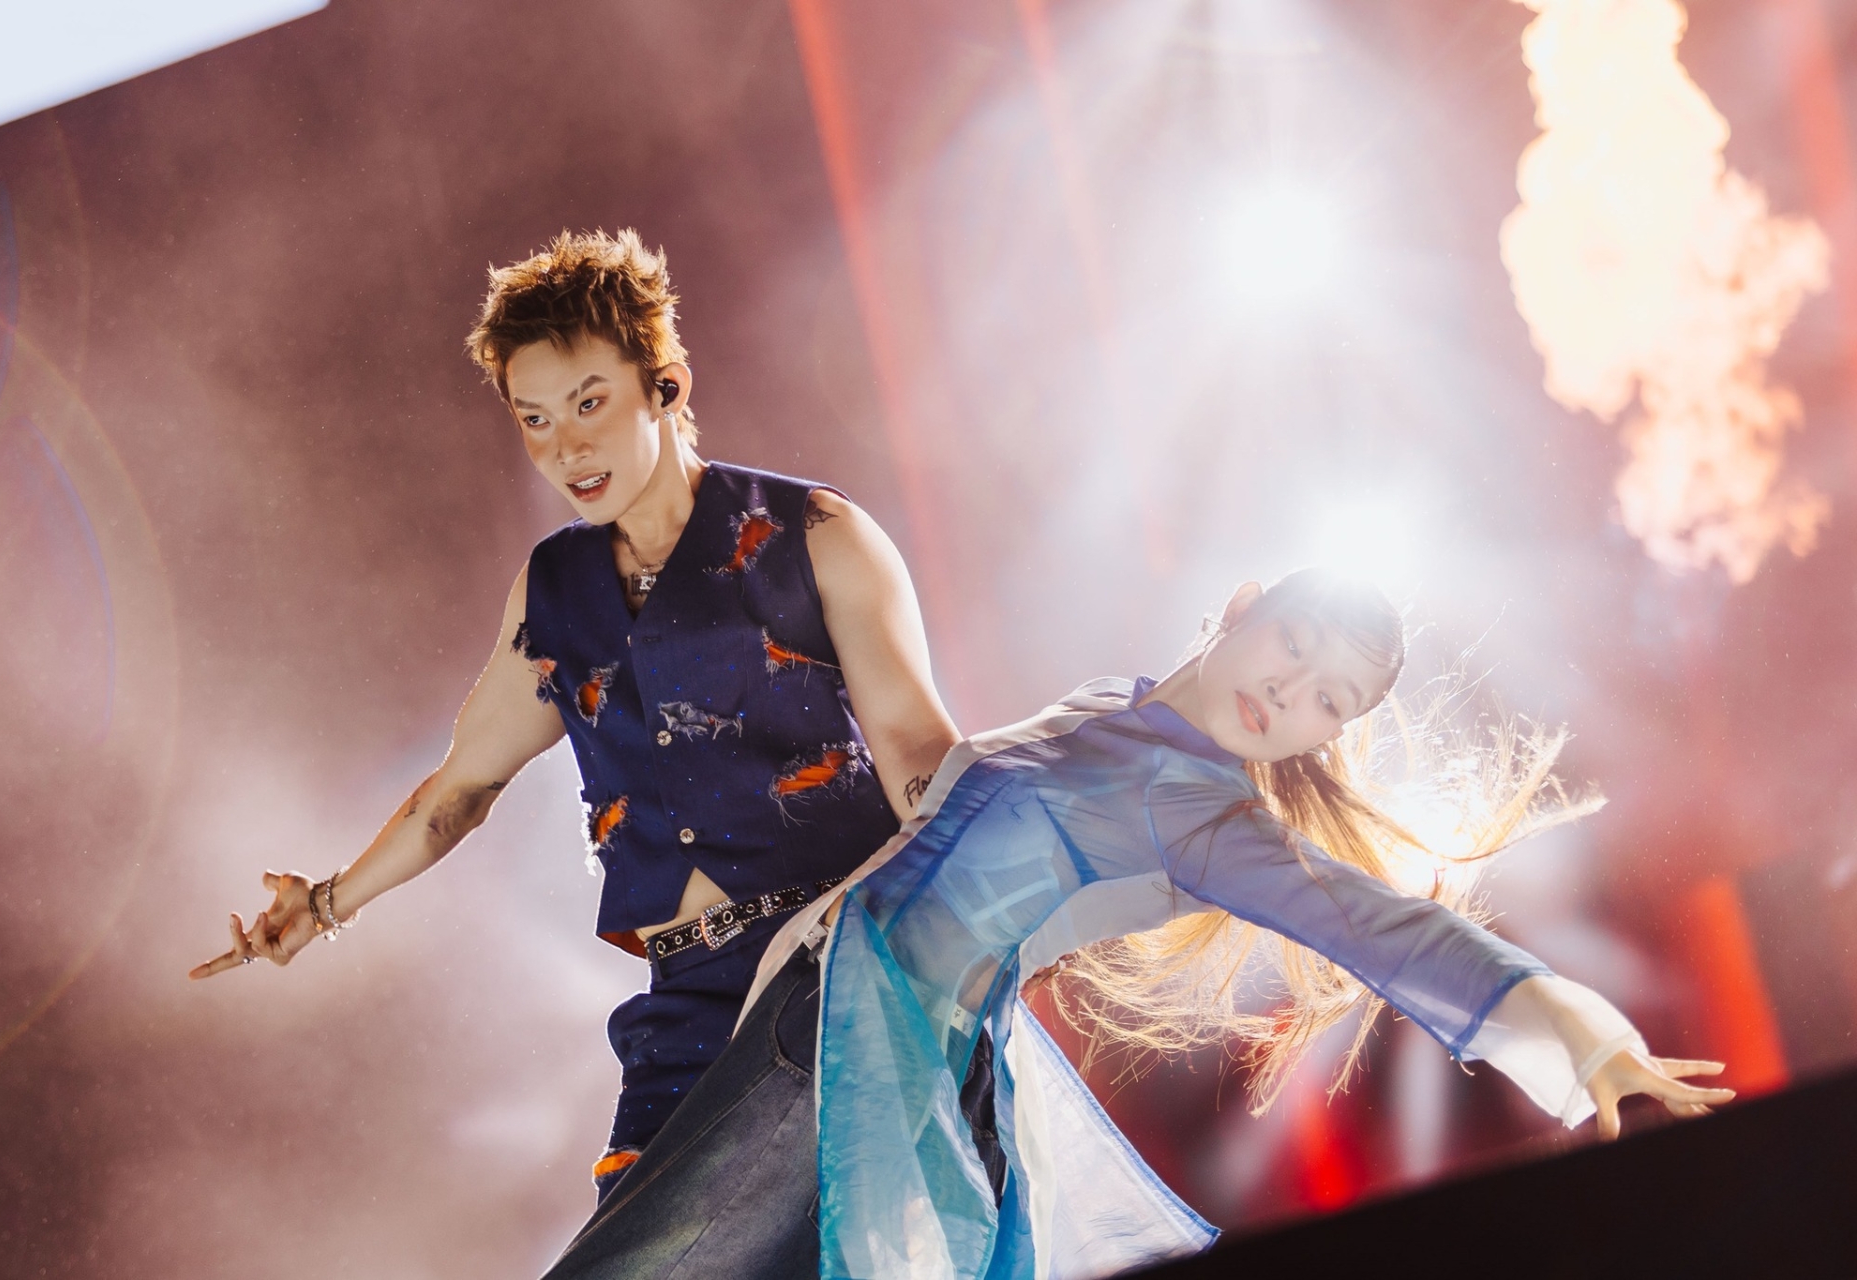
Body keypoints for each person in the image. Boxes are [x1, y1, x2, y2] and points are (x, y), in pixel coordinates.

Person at [555, 569, 1734, 1280]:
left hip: (861, 1060)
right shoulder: (1111, 706)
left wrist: (1583, 1036)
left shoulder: (1203, 814)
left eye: (1329, 698)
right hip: (829, 1026)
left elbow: (1385, 929)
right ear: (1242, 606)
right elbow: (900, 865)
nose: (1291, 691)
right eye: (1295, 645)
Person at [188, 229, 960, 1211]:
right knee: (637, 1253)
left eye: (590, 403)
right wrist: (329, 902)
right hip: (687, 1012)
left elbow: (919, 757)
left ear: (665, 386)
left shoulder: (816, 535)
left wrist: (991, 919)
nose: (565, 448)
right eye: (536, 419)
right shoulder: (554, 591)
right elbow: (459, 790)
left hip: (848, 964)